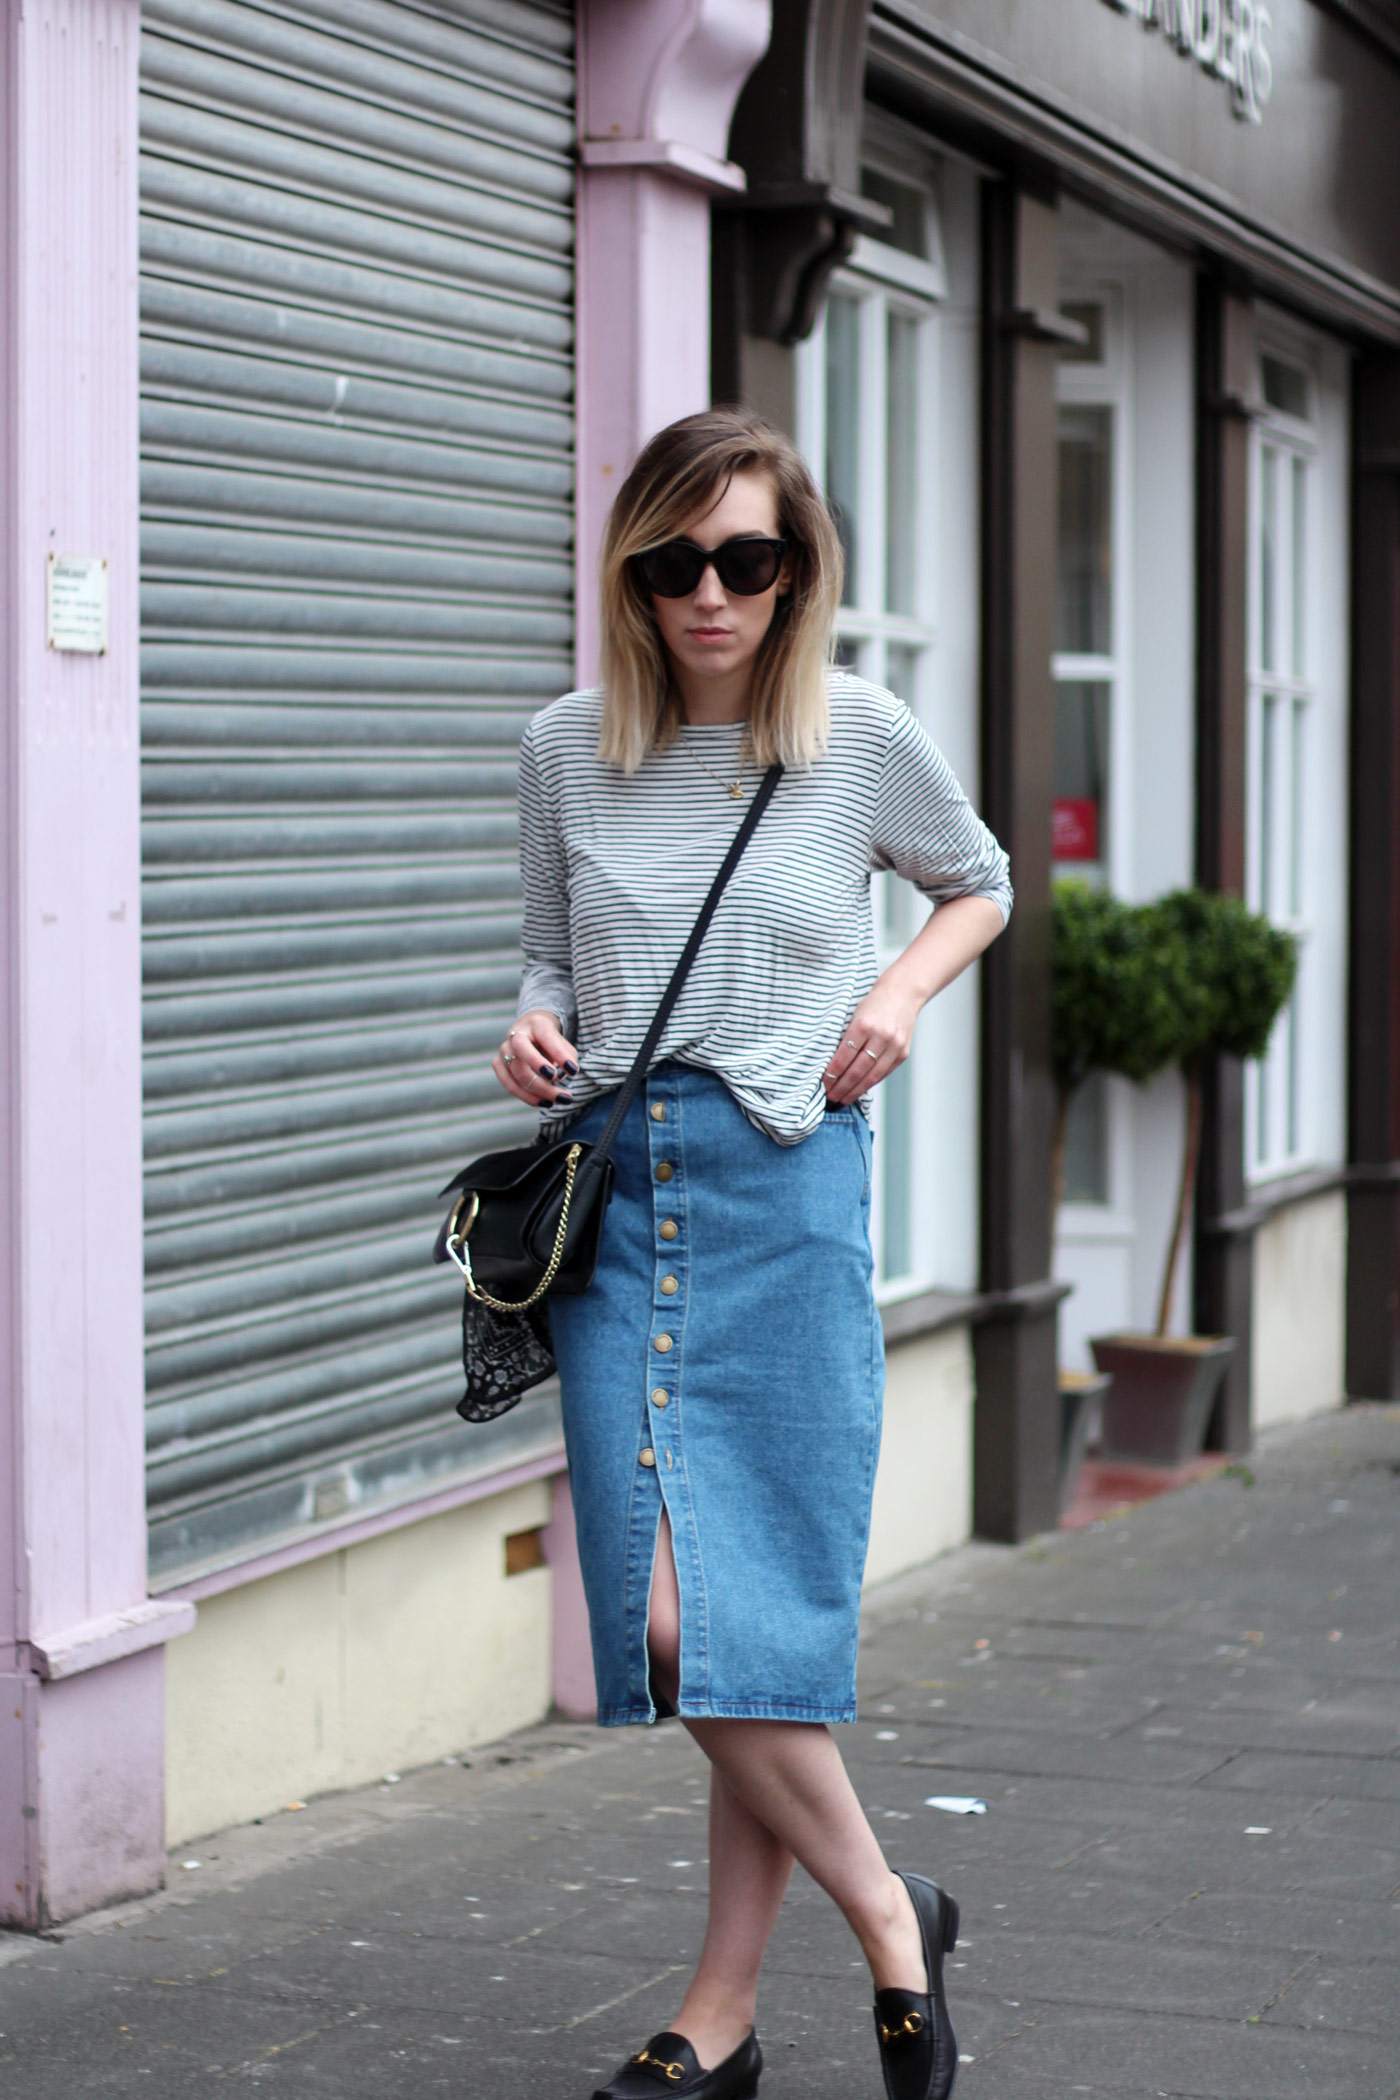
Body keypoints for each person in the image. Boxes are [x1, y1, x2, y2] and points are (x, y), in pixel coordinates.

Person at [492, 408, 1012, 2100]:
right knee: (667, 1621)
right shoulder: (568, 749)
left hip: (783, 1186)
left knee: (746, 1624)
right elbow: (553, 966)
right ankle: (891, 1915)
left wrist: (894, 995)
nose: (711, 595)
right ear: (632, 574)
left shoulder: (855, 736)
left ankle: (716, 2024)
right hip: (618, 1203)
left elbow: (980, 881)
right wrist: (533, 1029)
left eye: (749, 560)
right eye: (675, 563)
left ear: (798, 574)